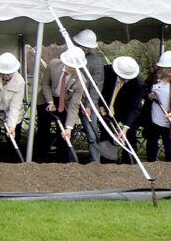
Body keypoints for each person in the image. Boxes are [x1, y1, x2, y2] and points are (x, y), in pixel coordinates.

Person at [33, 47, 86, 163]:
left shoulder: (80, 81)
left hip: (64, 102)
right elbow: (46, 84)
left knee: (63, 131)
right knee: (43, 128)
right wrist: (50, 102)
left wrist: (69, 128)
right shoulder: (53, 65)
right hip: (46, 98)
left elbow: (74, 105)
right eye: (70, 66)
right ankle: (39, 159)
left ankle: (62, 162)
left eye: (75, 67)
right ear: (64, 62)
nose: (72, 69)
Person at [98, 55, 144, 159]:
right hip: (108, 109)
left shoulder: (138, 84)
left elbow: (135, 107)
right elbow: (100, 89)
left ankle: (130, 163)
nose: (126, 80)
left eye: (129, 77)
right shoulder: (107, 72)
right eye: (123, 77)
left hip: (127, 112)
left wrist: (125, 128)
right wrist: (101, 105)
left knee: (130, 134)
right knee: (106, 134)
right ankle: (106, 163)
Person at [73, 29, 106, 163]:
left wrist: (89, 106)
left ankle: (95, 162)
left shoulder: (97, 62)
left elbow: (96, 85)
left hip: (88, 102)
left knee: (92, 135)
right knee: (67, 132)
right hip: (71, 101)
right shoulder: (71, 56)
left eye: (87, 47)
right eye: (83, 46)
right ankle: (69, 160)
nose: (85, 48)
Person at [0, 52, 26, 161]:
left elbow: (15, 106)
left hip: (12, 114)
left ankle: (13, 164)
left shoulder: (20, 82)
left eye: (8, 74)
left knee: (12, 140)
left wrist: (11, 126)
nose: (5, 76)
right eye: (3, 73)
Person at [143, 51, 171, 161]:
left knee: (169, 147)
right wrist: (149, 96)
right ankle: (151, 164)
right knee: (151, 144)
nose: (169, 70)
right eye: (167, 68)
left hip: (167, 122)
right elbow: (144, 91)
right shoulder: (153, 79)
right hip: (153, 120)